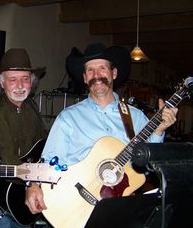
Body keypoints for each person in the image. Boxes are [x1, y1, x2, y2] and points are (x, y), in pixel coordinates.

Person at [25, 43, 178, 214]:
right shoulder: (68, 118)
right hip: (77, 205)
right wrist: (33, 185)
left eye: (102, 68)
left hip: (123, 207)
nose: (96, 75)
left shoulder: (135, 117)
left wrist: (159, 130)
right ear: (84, 77)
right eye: (90, 70)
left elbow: (150, 164)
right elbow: (49, 161)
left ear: (114, 73)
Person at [0, 48, 47, 228]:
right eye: (12, 79)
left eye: (25, 78)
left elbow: (42, 144)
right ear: (2, 83)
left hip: (23, 193)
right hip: (0, 197)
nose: (20, 85)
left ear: (32, 81)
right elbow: (9, 160)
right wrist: (33, 183)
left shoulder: (31, 107)